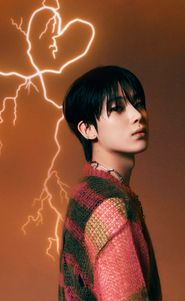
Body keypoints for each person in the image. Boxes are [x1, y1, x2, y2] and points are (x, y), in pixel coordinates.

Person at [58, 65, 162, 300]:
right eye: (117, 108)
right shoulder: (110, 208)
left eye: (138, 103)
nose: (137, 115)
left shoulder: (85, 192)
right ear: (87, 129)